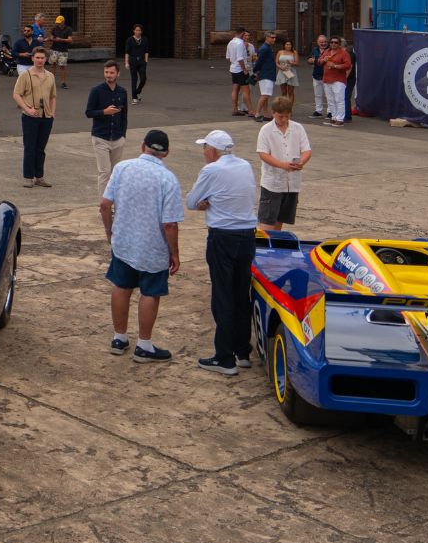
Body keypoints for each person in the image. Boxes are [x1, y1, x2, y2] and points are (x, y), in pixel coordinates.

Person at [100, 130, 184, 363]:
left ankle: (119, 338)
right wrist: (175, 253)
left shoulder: (122, 168)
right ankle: (144, 345)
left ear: (143, 146)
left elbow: (105, 205)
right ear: (166, 152)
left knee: (121, 286)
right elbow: (169, 224)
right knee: (150, 292)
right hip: (152, 247)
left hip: (124, 242)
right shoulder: (168, 179)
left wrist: (110, 231)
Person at [185, 130, 258, 375]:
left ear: (213, 150)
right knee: (240, 293)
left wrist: (206, 202)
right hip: (247, 234)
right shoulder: (245, 166)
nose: (204, 152)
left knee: (223, 295)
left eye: (205, 148)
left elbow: (192, 201)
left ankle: (224, 357)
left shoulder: (211, 170)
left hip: (223, 235)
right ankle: (242, 351)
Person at [256, 98, 312, 231]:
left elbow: (306, 150)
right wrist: (282, 165)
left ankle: (274, 249)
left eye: (287, 116)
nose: (284, 119)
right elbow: (263, 154)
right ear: (273, 113)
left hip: (291, 184)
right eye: (281, 116)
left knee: (279, 222)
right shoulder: (266, 130)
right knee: (267, 224)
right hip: (272, 184)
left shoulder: (297, 128)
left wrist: (301, 162)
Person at [12, 46, 57, 188]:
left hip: (46, 116)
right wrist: (27, 108)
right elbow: (16, 94)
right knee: (30, 147)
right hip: (30, 116)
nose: (40, 60)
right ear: (32, 58)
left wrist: (52, 113)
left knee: (41, 148)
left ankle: (39, 176)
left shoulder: (50, 76)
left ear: (46, 59)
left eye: (42, 58)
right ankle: (28, 176)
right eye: (37, 57)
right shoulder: (25, 75)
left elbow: (53, 96)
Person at [85, 60, 129, 196]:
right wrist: (104, 112)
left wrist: (123, 136)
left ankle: (116, 204)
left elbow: (124, 115)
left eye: (111, 72)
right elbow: (88, 112)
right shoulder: (96, 91)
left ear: (118, 74)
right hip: (100, 137)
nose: (108, 75)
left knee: (116, 173)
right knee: (104, 172)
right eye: (106, 72)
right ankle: (104, 207)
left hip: (117, 138)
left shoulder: (122, 92)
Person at [321, 37, 353, 127]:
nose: (333, 44)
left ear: (339, 44)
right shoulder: (327, 51)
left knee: (339, 99)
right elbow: (319, 61)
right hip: (327, 79)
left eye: (335, 42)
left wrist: (335, 66)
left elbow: (348, 65)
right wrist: (323, 60)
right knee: (330, 100)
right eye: (331, 42)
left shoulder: (344, 53)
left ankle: (340, 119)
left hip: (338, 79)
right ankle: (334, 117)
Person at [226, 27, 252, 117]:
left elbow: (228, 57)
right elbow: (240, 58)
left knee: (235, 89)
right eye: (244, 34)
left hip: (233, 68)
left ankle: (234, 109)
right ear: (242, 34)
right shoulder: (240, 43)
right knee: (246, 91)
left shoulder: (230, 42)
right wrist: (244, 69)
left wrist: (234, 63)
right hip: (240, 69)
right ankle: (251, 111)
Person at [252, 31, 277, 121]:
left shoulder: (268, 48)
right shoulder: (264, 48)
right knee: (265, 95)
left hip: (268, 74)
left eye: (275, 37)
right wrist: (255, 70)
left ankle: (266, 113)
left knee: (265, 95)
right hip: (266, 74)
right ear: (267, 38)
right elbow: (259, 61)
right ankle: (257, 114)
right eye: (272, 37)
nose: (274, 39)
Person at [274, 38, 299, 113]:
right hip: (282, 72)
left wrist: (292, 63)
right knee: (283, 92)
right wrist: (280, 67)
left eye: (290, 44)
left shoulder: (294, 52)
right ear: (284, 45)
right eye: (287, 44)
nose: (288, 46)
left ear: (292, 45)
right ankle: (283, 108)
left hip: (291, 72)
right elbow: (276, 62)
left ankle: (289, 110)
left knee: (290, 92)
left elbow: (297, 63)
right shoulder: (280, 52)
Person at [308, 34, 330, 118]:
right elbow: (309, 59)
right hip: (316, 75)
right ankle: (318, 111)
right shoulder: (315, 50)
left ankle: (330, 112)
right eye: (321, 42)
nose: (323, 43)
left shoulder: (329, 50)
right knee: (318, 94)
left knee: (328, 95)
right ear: (318, 42)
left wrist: (315, 60)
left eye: (325, 42)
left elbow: (325, 61)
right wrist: (310, 60)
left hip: (327, 75)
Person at [49, 15, 73, 88]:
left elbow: (70, 40)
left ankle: (63, 83)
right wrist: (52, 38)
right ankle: (51, 82)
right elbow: (51, 36)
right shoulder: (54, 28)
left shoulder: (68, 29)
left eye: (60, 23)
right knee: (52, 65)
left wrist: (61, 39)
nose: (58, 24)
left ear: (63, 21)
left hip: (63, 50)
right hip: (54, 49)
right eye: (57, 23)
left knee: (62, 66)